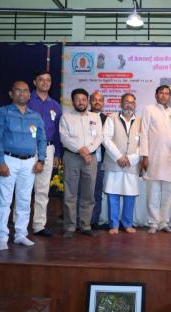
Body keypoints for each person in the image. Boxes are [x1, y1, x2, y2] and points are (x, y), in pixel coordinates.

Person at [0, 81, 46, 250]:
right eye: (18, 91)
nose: (22, 93)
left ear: (29, 95)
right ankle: (1, 236)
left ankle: (21, 234)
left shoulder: (35, 116)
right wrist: (0, 162)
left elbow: (42, 139)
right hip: (8, 160)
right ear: (11, 94)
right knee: (4, 200)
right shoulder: (3, 112)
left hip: (30, 162)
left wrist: (41, 160)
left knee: (24, 200)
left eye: (25, 91)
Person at [59, 88, 103, 238]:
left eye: (84, 99)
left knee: (89, 193)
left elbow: (99, 137)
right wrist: (80, 150)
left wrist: (88, 150)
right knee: (70, 193)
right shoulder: (66, 117)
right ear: (73, 101)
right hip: (72, 157)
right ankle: (70, 227)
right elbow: (64, 137)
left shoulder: (95, 117)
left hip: (90, 159)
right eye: (78, 99)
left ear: (88, 101)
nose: (81, 102)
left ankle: (85, 225)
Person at [27, 70, 62, 237]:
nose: (45, 83)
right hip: (28, 148)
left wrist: (57, 153)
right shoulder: (26, 101)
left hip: (48, 149)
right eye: (41, 80)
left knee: (42, 190)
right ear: (35, 82)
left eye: (48, 80)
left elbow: (57, 132)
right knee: (24, 189)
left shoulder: (55, 105)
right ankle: (21, 226)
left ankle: (39, 225)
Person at [140, 85, 171, 234]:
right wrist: (145, 156)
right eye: (161, 93)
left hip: (170, 158)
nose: (164, 96)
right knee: (153, 192)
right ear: (156, 95)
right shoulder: (149, 110)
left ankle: (164, 222)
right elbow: (143, 134)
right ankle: (153, 223)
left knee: (168, 193)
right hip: (153, 157)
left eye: (167, 93)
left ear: (170, 96)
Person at [103, 93, 141, 235]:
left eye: (132, 102)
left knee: (130, 195)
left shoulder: (140, 121)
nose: (129, 105)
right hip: (114, 163)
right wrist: (119, 157)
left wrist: (130, 159)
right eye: (126, 102)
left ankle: (127, 223)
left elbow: (142, 144)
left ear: (135, 105)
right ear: (121, 103)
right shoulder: (111, 118)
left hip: (131, 164)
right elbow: (106, 139)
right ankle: (114, 225)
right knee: (113, 194)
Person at [89, 91, 107, 230]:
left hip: (100, 160)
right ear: (90, 101)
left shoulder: (107, 120)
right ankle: (81, 220)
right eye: (94, 99)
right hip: (85, 158)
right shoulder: (83, 116)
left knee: (97, 192)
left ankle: (94, 220)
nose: (97, 102)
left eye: (100, 100)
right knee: (83, 192)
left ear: (103, 103)